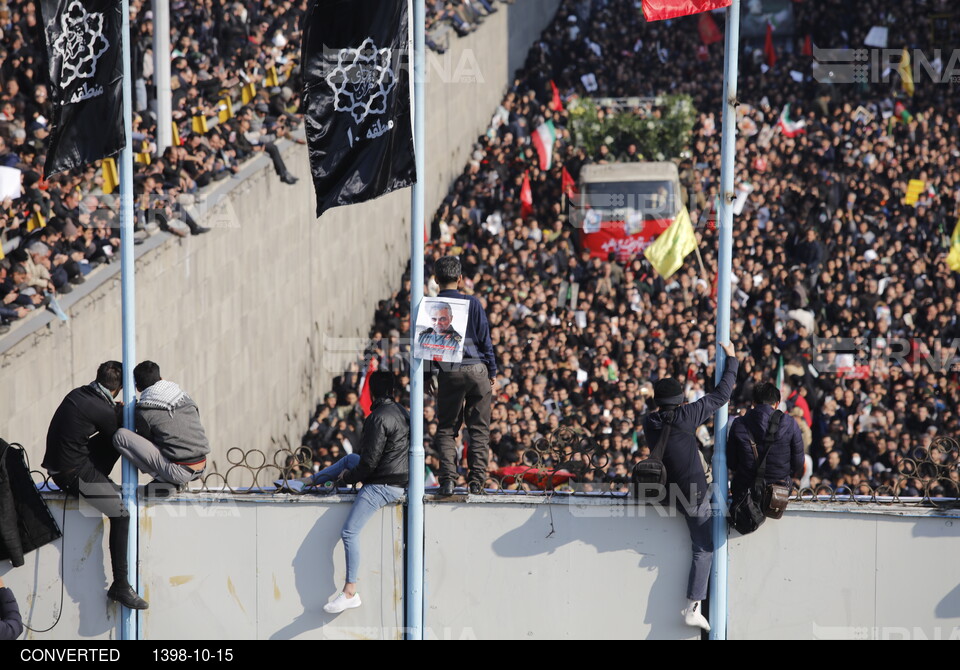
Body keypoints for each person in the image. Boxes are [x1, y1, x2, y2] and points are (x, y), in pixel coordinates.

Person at [642, 342, 738, 633]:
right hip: (693, 493)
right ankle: (693, 605)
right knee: (704, 547)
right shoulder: (686, 416)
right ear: (680, 398)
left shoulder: (650, 421)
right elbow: (722, 394)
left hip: (665, 491)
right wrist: (732, 358)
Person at [42, 362, 148, 610]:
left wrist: (114, 412)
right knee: (121, 516)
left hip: (63, 465)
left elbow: (104, 423)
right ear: (119, 388)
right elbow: (120, 435)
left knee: (115, 434)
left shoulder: (80, 394)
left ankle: (104, 486)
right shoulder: (101, 410)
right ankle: (120, 585)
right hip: (73, 474)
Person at [323, 371, 409, 615]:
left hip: (382, 484)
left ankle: (350, 591)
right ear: (392, 390)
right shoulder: (404, 413)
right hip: (395, 478)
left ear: (372, 391)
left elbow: (369, 463)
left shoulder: (377, 418)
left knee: (349, 532)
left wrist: (348, 478)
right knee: (350, 458)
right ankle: (308, 481)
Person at [430, 256, 498, 496]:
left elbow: (425, 344)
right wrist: (492, 371)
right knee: (479, 430)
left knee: (447, 429)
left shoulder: (430, 305)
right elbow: (485, 340)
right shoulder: (473, 303)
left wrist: (430, 374)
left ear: (436, 279)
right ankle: (477, 482)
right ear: (460, 278)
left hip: (449, 371)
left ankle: (448, 480)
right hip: (478, 368)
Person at [112, 361, 209, 495]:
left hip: (179, 471)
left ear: (138, 389)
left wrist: (125, 412)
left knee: (120, 436)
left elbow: (146, 442)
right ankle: (171, 480)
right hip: (202, 465)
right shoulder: (184, 396)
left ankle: (164, 481)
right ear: (161, 378)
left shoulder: (145, 411)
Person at [727, 382, 805, 505]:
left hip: (745, 492)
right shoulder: (790, 423)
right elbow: (798, 462)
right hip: (779, 492)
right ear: (777, 404)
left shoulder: (739, 424)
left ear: (753, 403)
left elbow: (732, 463)